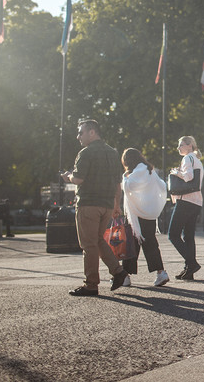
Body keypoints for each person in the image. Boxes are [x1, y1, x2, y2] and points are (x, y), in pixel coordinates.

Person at [61, 119, 128, 296]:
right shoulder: (113, 153)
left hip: (88, 204)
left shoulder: (86, 153)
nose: (78, 137)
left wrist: (68, 176)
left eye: (80, 132)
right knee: (98, 241)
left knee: (88, 245)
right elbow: (117, 183)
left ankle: (91, 284)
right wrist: (116, 205)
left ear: (92, 132)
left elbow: (78, 179)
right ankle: (118, 271)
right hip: (106, 205)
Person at [120, 148, 169, 287]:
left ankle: (126, 276)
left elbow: (129, 187)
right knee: (150, 245)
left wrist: (125, 177)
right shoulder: (149, 170)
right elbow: (162, 185)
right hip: (148, 213)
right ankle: (161, 272)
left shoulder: (137, 172)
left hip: (137, 214)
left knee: (131, 245)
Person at [168, 135, 204, 280]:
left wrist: (176, 172)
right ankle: (189, 270)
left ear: (189, 146)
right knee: (188, 236)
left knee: (173, 234)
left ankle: (192, 263)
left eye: (181, 145)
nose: (179, 148)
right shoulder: (196, 160)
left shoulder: (187, 158)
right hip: (196, 202)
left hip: (186, 201)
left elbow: (188, 177)